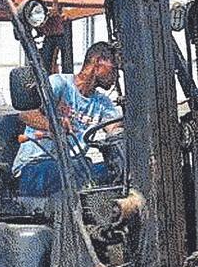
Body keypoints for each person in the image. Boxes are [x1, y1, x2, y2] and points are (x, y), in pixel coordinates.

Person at [12, 41, 122, 199]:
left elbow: (115, 129)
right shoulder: (59, 84)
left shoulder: (102, 102)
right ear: (98, 62)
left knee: (116, 171)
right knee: (80, 170)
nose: (116, 75)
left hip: (72, 167)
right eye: (114, 68)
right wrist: (53, 125)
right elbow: (26, 114)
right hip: (36, 167)